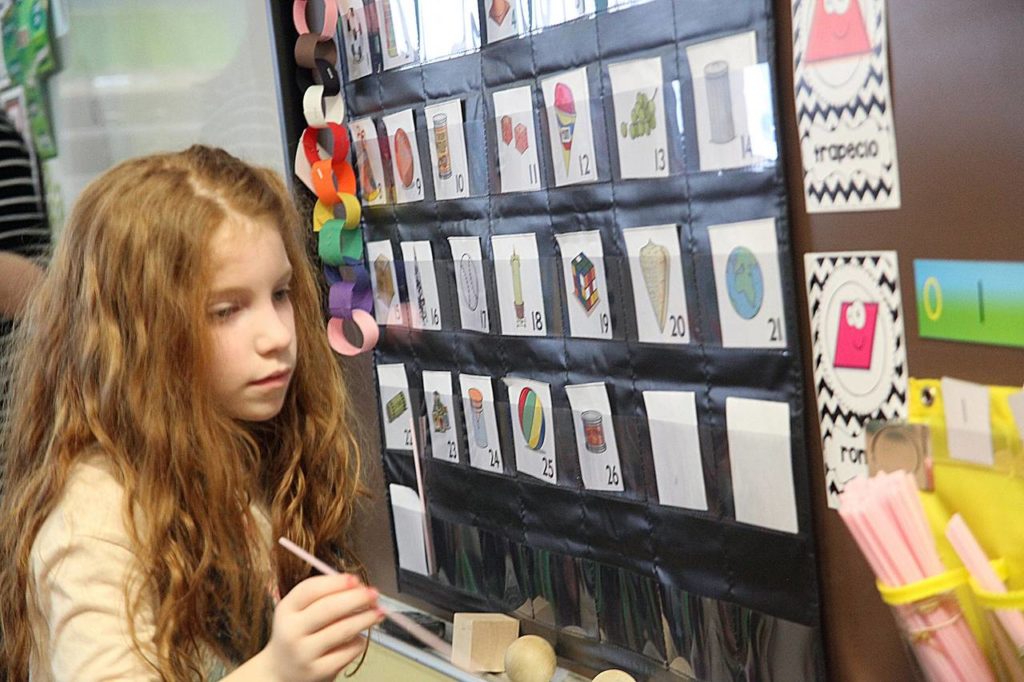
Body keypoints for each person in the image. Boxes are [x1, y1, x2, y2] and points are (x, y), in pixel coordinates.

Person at [0, 145, 380, 680]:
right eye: (227, 310)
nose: (277, 336)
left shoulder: (244, 453)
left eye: (280, 293)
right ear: (141, 336)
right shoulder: (94, 521)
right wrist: (277, 672)